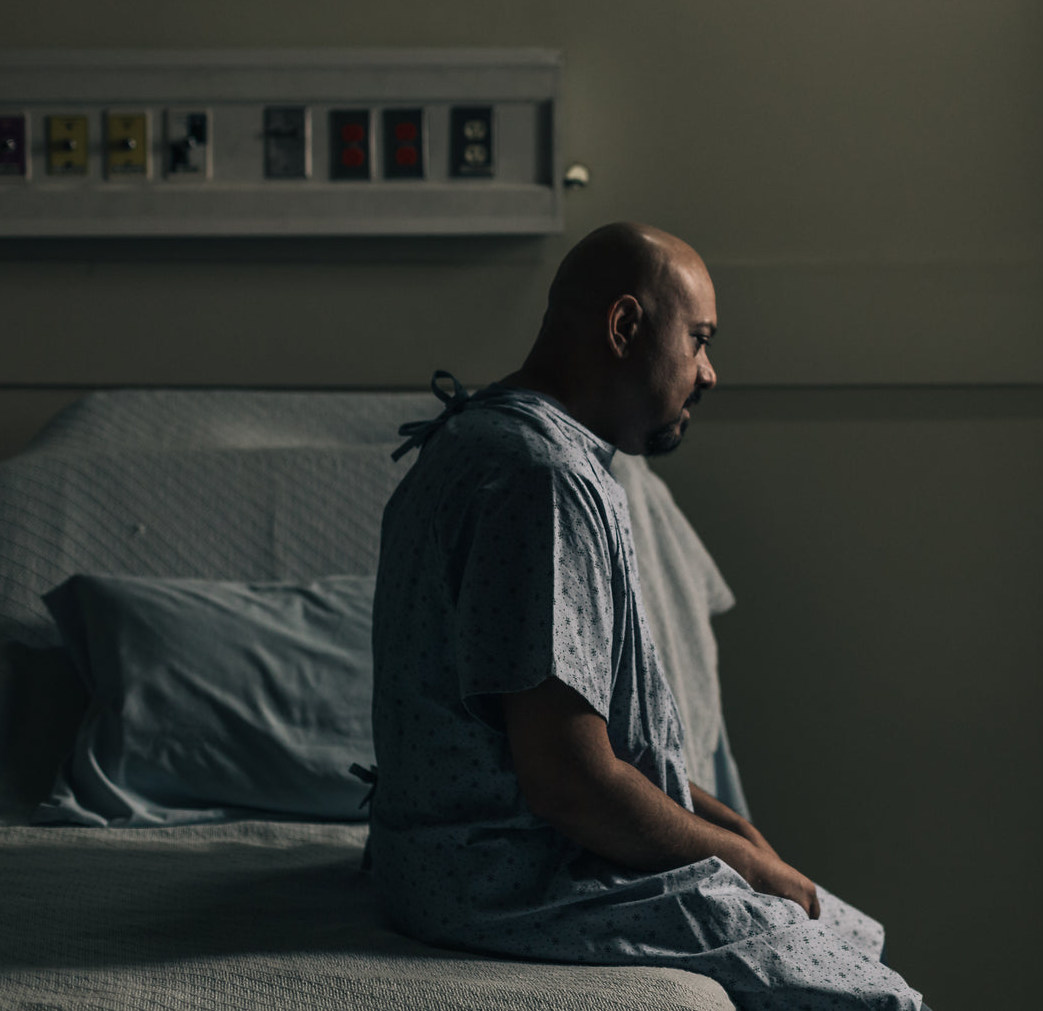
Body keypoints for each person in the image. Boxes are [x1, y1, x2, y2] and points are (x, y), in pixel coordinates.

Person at [368, 222, 929, 1011]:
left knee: (840, 924)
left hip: (425, 867)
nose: (710, 372)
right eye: (698, 340)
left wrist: (741, 840)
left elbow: (601, 745)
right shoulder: (544, 481)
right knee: (881, 1000)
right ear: (626, 327)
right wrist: (752, 871)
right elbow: (569, 782)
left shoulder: (472, 437)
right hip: (501, 882)